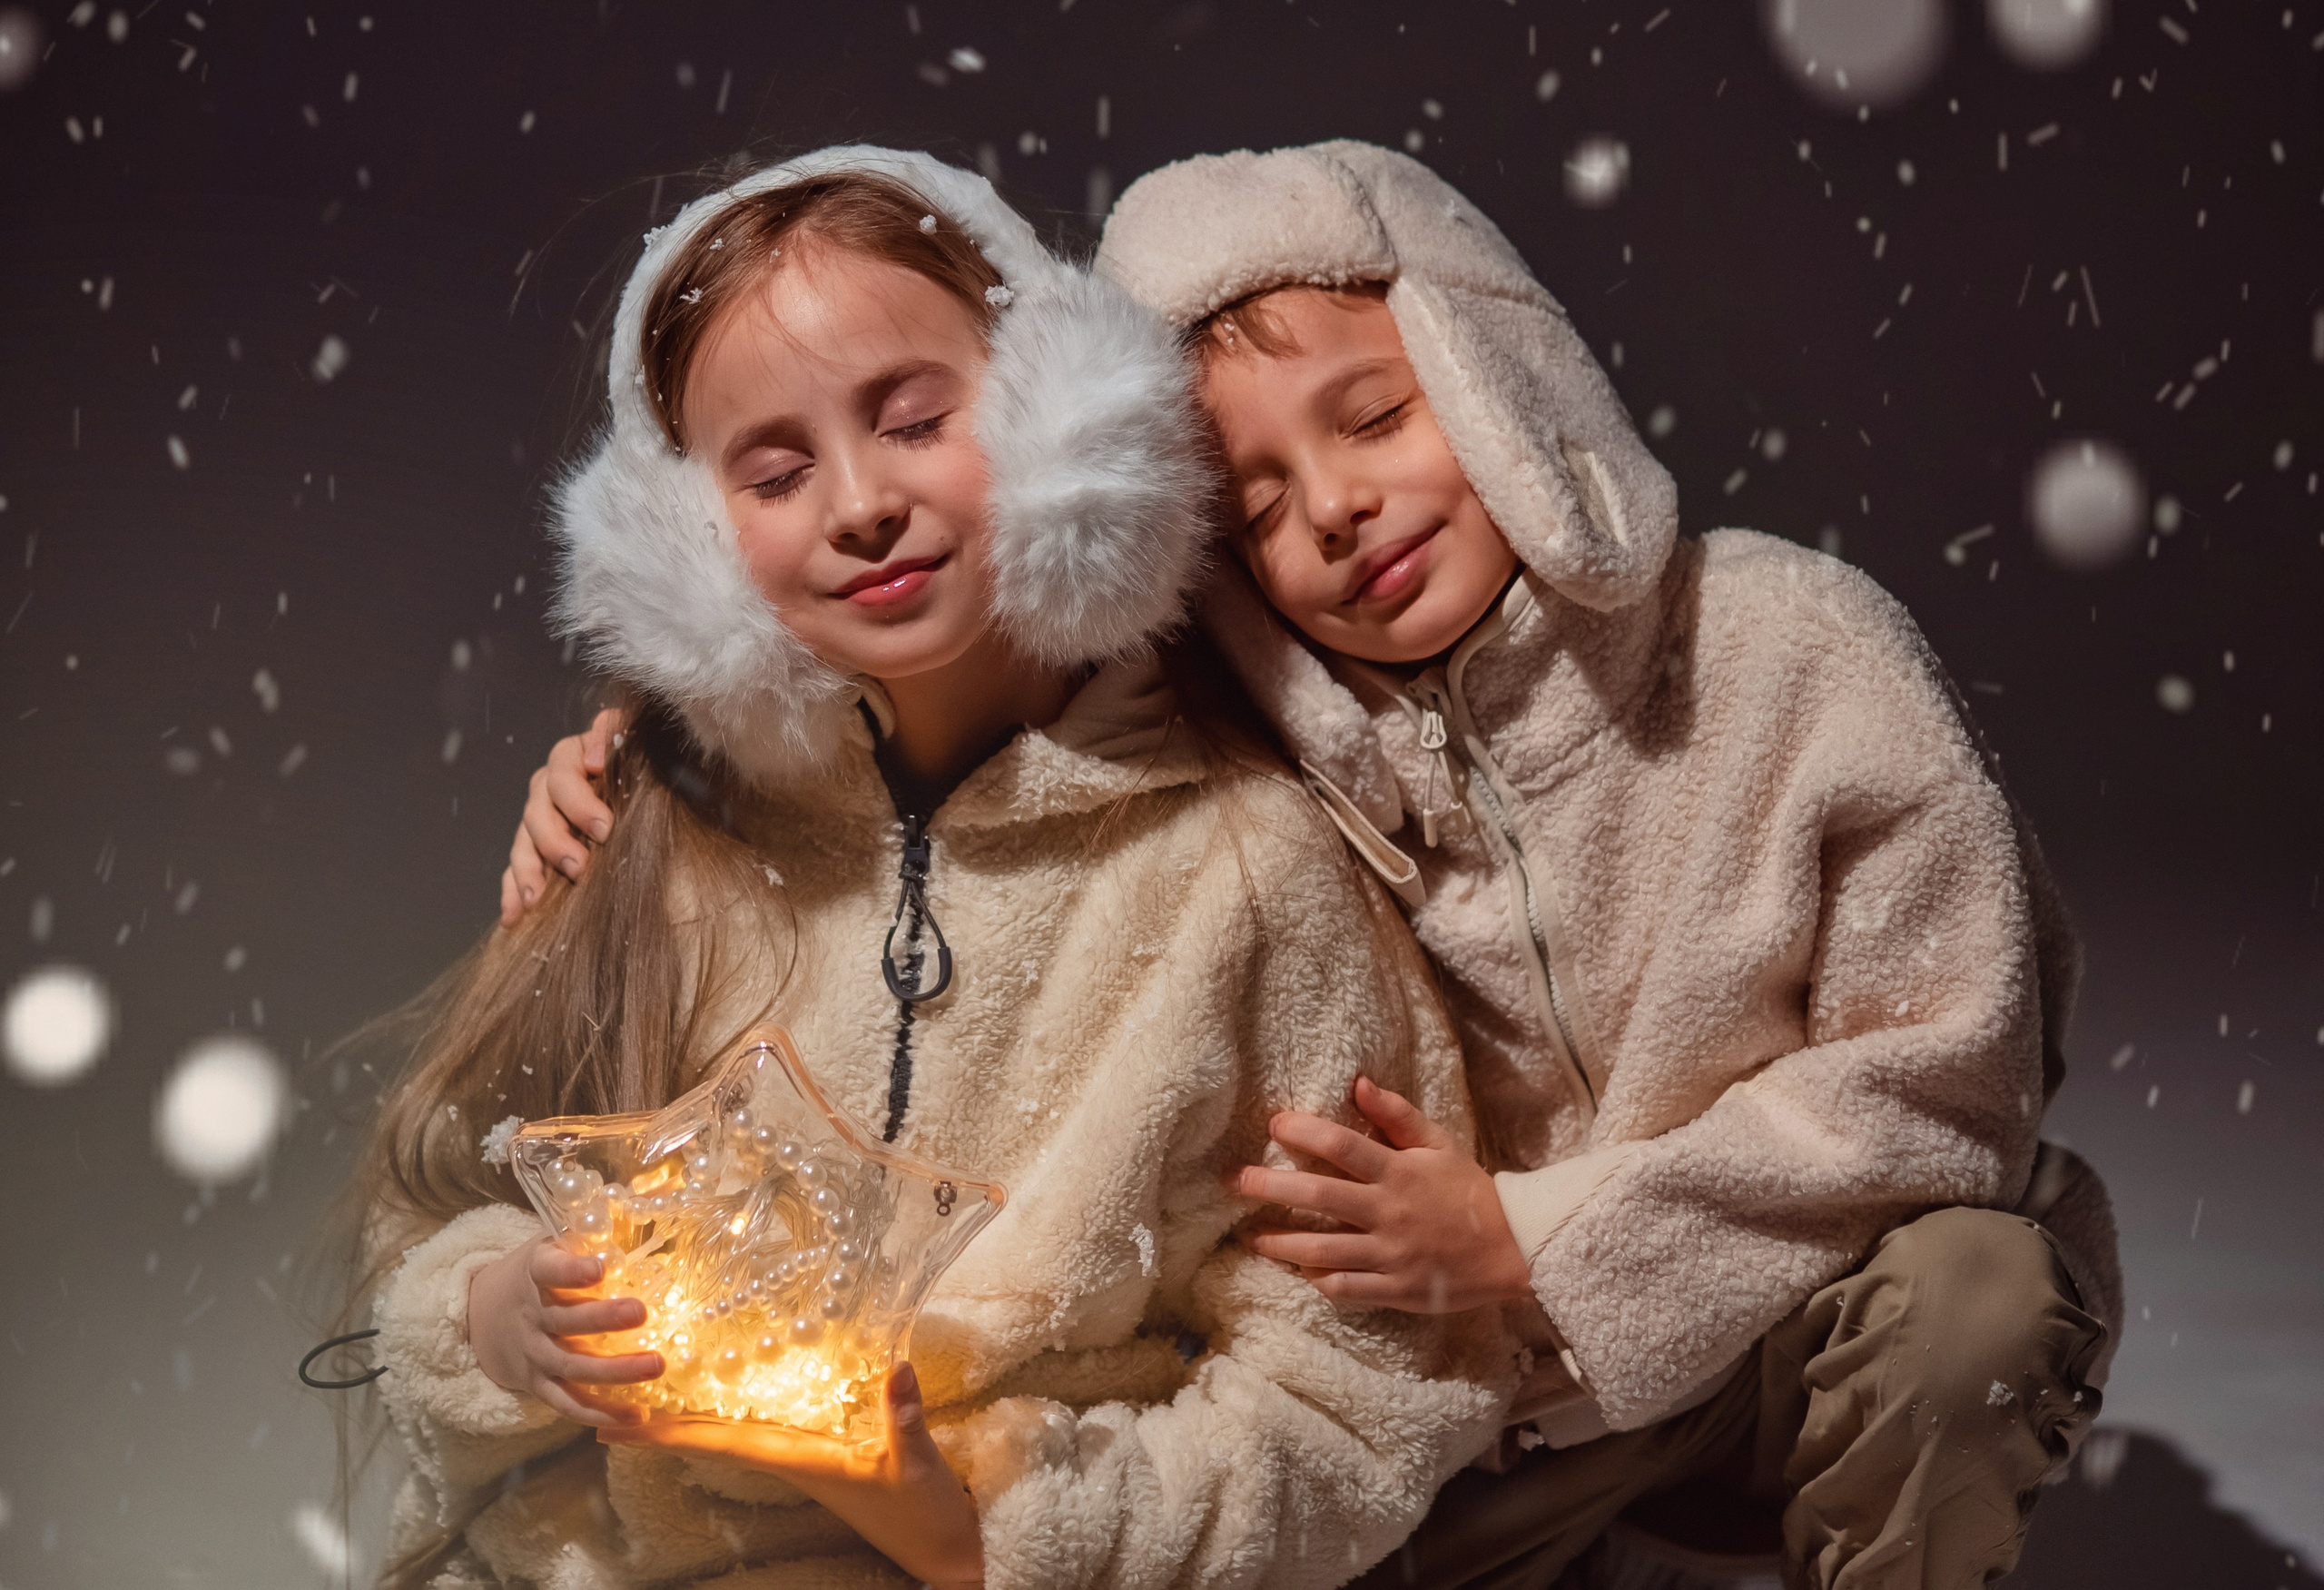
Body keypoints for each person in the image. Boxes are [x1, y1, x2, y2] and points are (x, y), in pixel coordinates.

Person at [501, 143, 2124, 1588]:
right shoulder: (1268, 718)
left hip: (1799, 1334)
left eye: (1377, 418)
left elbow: (1953, 1080)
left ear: (1496, 370)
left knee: (1973, 1298)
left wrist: (1533, 1237)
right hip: (1505, 1435)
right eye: (1258, 502)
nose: (1336, 511)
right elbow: (977, 676)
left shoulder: (1792, 651)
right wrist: (671, 727)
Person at [352, 145, 1513, 1590]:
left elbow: (1367, 1389)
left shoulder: (1245, 870)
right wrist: (488, 1317)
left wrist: (987, 1533)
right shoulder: (645, 829)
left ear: (1059, 411)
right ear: (686, 543)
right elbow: (433, 1199)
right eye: (776, 473)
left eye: (914, 422)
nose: (858, 503)